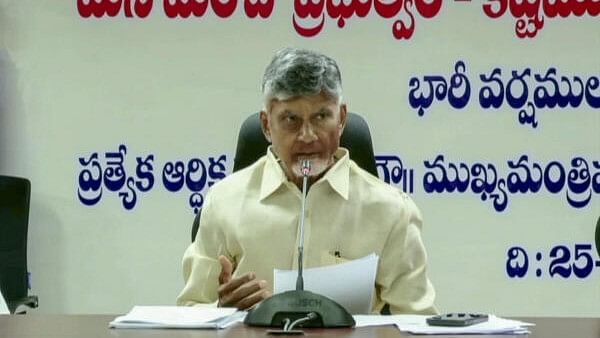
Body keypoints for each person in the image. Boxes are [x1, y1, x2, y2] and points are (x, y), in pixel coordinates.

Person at [177, 47, 437, 314]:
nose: (308, 135)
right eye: (291, 120)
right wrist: (220, 313)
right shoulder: (224, 202)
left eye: (322, 117)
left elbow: (417, 323)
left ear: (342, 119)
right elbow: (190, 311)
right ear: (267, 125)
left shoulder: (391, 211)